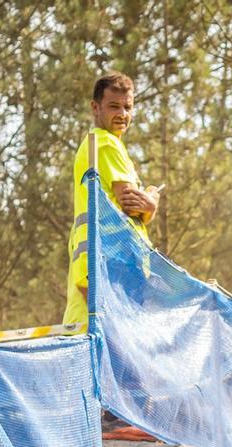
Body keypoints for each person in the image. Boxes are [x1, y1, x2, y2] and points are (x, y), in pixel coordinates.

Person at [63, 72, 160, 327]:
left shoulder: (98, 144)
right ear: (95, 107)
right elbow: (132, 207)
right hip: (107, 275)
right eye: (114, 106)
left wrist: (147, 205)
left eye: (128, 107)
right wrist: (151, 202)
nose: (123, 115)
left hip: (103, 278)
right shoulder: (105, 144)